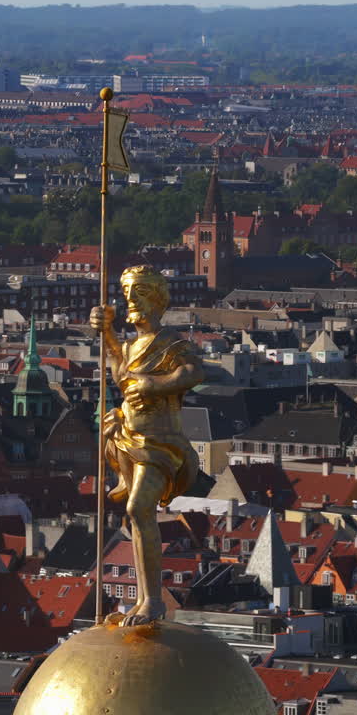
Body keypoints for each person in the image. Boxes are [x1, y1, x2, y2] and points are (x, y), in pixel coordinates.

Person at [90, 266, 204, 626]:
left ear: (157, 297)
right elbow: (122, 375)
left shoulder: (172, 342)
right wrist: (107, 334)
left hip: (160, 443)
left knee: (141, 510)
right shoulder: (129, 345)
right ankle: (143, 598)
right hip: (127, 438)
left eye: (139, 292)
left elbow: (193, 372)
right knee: (135, 517)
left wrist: (156, 386)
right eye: (127, 292)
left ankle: (154, 601)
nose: (130, 300)